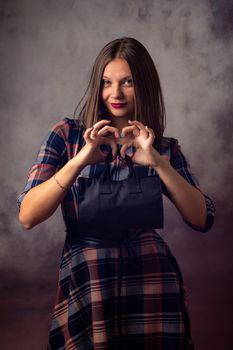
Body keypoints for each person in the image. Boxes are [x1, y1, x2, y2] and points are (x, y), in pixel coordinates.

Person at [17, 37, 215, 350]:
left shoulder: (163, 146)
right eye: (107, 82)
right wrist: (82, 158)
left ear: (144, 86)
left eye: (128, 82)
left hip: (152, 288)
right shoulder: (67, 136)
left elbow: (202, 218)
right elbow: (27, 216)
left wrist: (158, 164)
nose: (115, 93)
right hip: (89, 284)